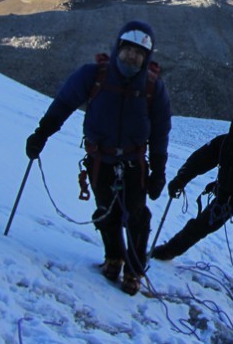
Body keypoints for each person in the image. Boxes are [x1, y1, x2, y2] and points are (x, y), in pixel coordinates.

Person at [25, 20, 171, 296]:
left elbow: (160, 132)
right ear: (119, 48)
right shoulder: (94, 76)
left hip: (133, 163)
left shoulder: (153, 89)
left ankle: (134, 270)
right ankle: (114, 257)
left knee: (137, 216)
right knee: (107, 211)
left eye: (140, 53)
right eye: (129, 50)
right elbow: (64, 104)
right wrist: (41, 134)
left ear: (147, 56)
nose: (133, 57)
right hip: (100, 159)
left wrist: (159, 171)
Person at [152, 103, 233, 297]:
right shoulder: (225, 144)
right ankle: (169, 251)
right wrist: (181, 179)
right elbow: (199, 160)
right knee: (199, 227)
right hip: (226, 198)